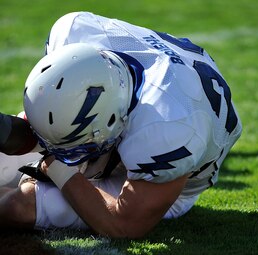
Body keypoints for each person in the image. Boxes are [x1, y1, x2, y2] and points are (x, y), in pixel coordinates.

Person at [0, 11, 242, 238]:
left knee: (18, 206)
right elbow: (47, 126)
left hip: (157, 179)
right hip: (116, 124)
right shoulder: (74, 33)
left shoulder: (170, 126)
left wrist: (57, 167)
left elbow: (123, 223)